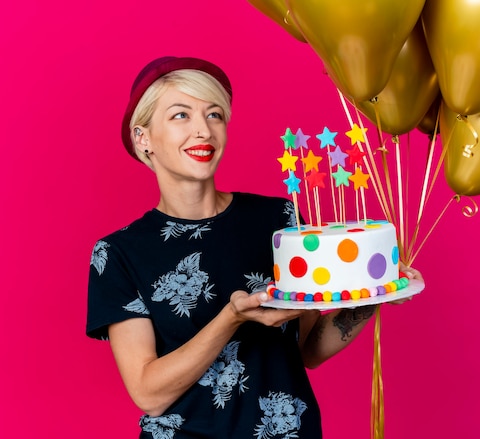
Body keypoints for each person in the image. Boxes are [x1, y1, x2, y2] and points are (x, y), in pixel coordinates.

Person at [86, 56, 423, 438]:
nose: (203, 131)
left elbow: (308, 350)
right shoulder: (118, 253)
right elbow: (149, 393)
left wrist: (374, 291)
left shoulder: (279, 219)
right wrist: (231, 317)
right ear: (143, 137)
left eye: (214, 115)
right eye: (181, 115)